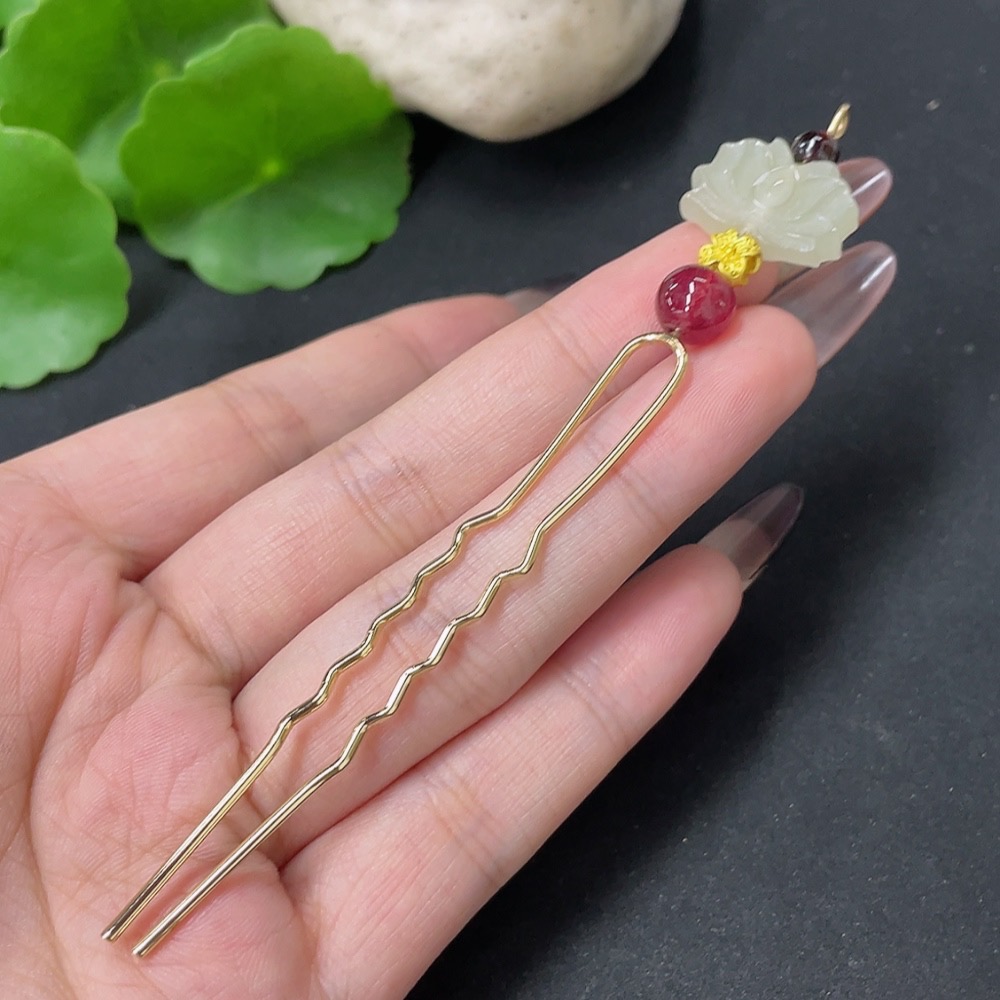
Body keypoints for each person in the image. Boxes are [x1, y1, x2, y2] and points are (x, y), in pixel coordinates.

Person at [0, 158, 894, 999]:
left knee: (455, 609)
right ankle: (148, 908)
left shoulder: (673, 353)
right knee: (355, 681)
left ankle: (157, 911)